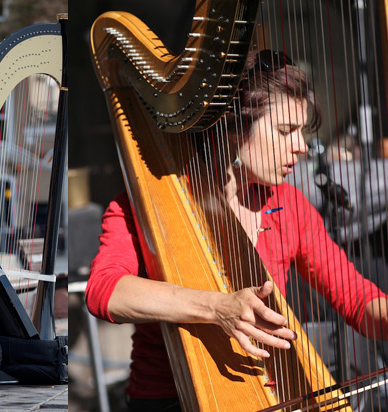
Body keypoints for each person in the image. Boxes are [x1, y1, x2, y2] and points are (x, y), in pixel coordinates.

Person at [85, 50, 388, 411]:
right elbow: (104, 293)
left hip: (270, 395)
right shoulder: (142, 209)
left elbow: (356, 298)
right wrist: (218, 307)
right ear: (233, 128)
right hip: (167, 400)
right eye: (284, 131)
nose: (302, 147)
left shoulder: (288, 205)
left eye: (302, 132)